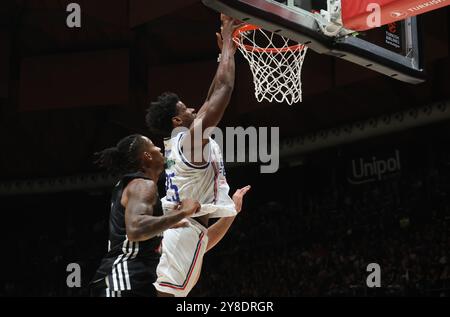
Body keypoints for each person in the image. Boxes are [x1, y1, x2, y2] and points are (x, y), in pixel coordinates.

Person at [145, 15, 249, 297]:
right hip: (180, 234)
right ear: (177, 121)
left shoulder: (178, 144)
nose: (193, 108)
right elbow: (224, 92)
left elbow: (212, 96)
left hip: (182, 232)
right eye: (185, 108)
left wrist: (223, 55)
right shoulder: (189, 144)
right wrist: (228, 41)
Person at [90, 134, 201, 297]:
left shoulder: (131, 185)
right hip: (125, 280)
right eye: (154, 146)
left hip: (129, 281)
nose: (159, 149)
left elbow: (138, 228)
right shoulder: (142, 184)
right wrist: (184, 212)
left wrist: (170, 220)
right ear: (147, 156)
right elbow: (136, 230)